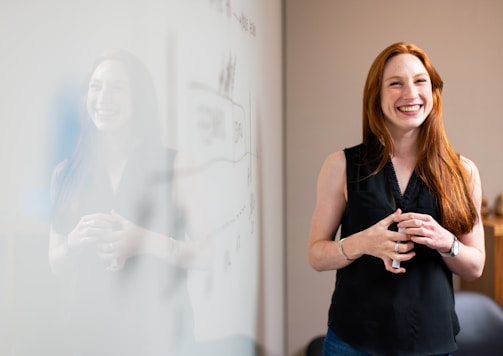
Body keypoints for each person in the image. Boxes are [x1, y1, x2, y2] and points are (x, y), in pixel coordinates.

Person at [307, 42, 485, 356]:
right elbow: (316, 255)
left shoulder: (463, 172)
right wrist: (362, 243)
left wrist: (447, 242)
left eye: (420, 81)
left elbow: (475, 266)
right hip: (352, 342)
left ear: (434, 91)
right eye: (395, 83)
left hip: (431, 343)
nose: (410, 93)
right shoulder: (340, 166)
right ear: (376, 95)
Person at [49, 48, 206, 356]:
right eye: (96, 87)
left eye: (117, 88)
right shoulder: (65, 173)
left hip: (162, 333)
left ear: (139, 100)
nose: (103, 98)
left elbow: (210, 253)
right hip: (88, 334)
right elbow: (55, 262)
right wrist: (73, 241)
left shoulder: (176, 166)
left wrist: (145, 241)